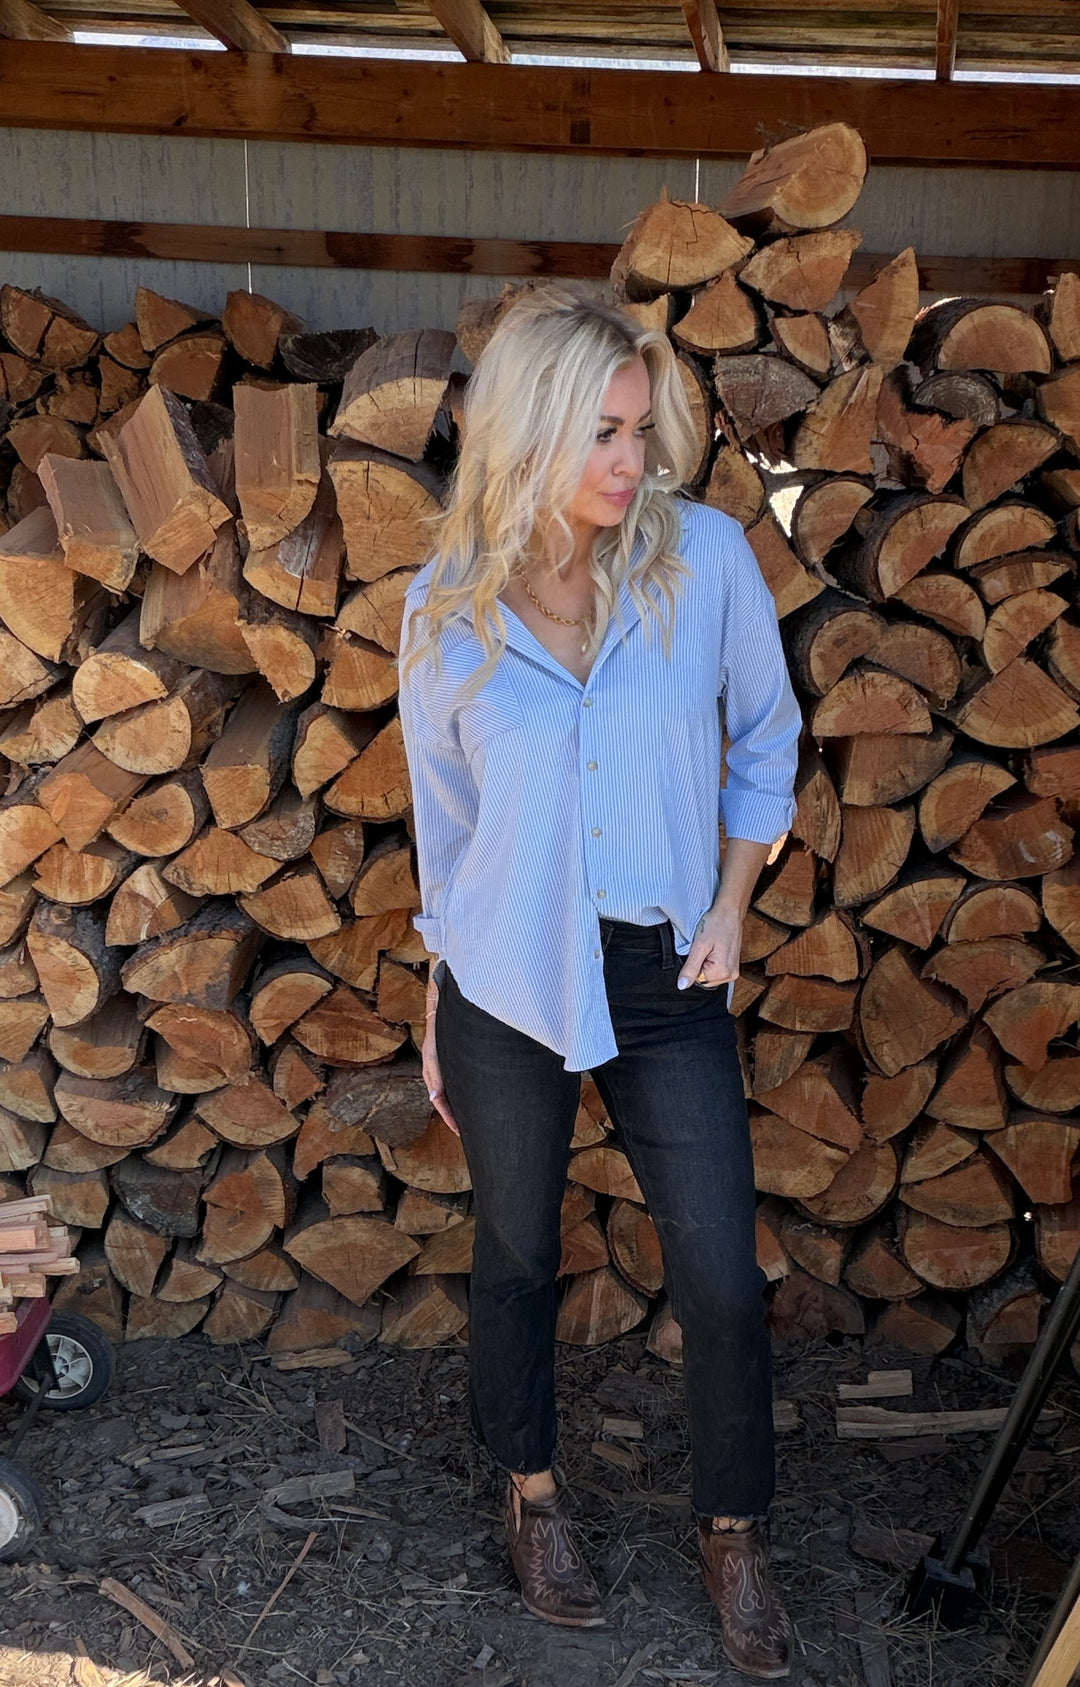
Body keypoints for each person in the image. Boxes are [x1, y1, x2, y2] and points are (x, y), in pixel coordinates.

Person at [397, 282, 801, 1681]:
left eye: (641, 428)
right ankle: (531, 1498)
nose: (630, 462)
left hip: (662, 969)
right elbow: (445, 826)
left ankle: (733, 1531)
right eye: (599, 433)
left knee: (722, 1273)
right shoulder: (443, 609)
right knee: (514, 1254)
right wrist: (435, 1002)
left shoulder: (706, 566)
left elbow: (767, 737)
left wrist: (737, 905)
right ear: (526, 434)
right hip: (506, 971)